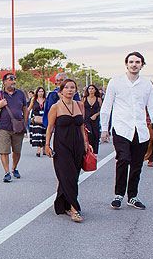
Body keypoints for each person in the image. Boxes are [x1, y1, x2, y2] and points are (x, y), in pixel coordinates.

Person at [100, 52, 153, 210]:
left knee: (136, 164)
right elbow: (107, 106)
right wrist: (104, 129)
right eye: (131, 62)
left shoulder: (146, 84)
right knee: (123, 159)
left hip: (140, 130)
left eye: (137, 62)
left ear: (142, 64)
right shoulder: (115, 82)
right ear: (126, 64)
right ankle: (119, 194)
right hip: (121, 128)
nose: (134, 64)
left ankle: (132, 196)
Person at [45, 79, 92, 223]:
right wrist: (47, 145)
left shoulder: (80, 105)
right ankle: (74, 209)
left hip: (77, 144)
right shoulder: (55, 107)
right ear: (61, 91)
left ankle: (62, 204)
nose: (70, 90)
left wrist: (86, 143)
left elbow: (81, 125)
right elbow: (50, 127)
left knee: (74, 175)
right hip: (61, 145)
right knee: (67, 175)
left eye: (73, 87)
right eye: (67, 87)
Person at [0, 73, 28, 182]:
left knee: (17, 151)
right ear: (4, 82)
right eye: (10, 79)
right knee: (4, 151)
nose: (13, 81)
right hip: (3, 127)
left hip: (18, 127)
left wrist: (25, 123)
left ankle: (14, 168)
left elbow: (25, 109)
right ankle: (6, 172)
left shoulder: (20, 94)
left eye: (14, 79)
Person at [83, 84, 102, 155]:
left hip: (95, 119)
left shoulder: (98, 99)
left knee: (96, 135)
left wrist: (96, 115)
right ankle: (89, 150)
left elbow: (101, 109)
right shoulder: (84, 99)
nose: (91, 90)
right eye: (89, 89)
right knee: (89, 134)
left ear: (95, 90)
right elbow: (82, 109)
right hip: (86, 119)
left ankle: (95, 152)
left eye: (92, 88)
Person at [28, 87, 47, 156]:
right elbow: (29, 108)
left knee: (44, 134)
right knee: (38, 133)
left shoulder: (46, 100)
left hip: (44, 119)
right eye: (39, 91)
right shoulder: (34, 100)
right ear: (37, 92)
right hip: (36, 119)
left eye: (42, 91)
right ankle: (39, 150)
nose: (41, 93)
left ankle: (44, 149)